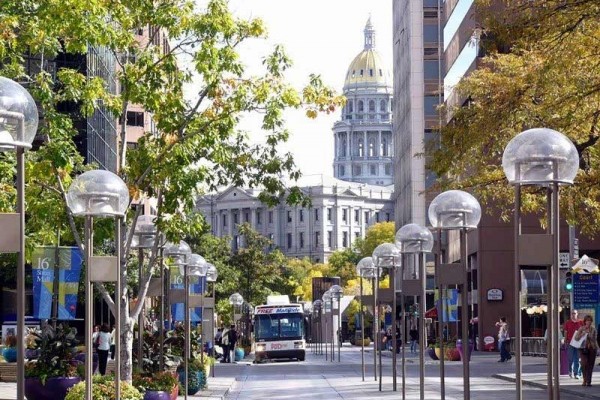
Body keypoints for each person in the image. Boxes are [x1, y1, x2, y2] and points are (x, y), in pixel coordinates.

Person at [574, 314, 598, 387]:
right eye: (587, 320)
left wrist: (588, 334)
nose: (588, 322)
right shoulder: (581, 328)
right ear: (585, 321)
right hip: (583, 348)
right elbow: (576, 338)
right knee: (584, 364)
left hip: (592, 348)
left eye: (590, 321)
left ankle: (589, 381)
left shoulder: (593, 329)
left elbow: (595, 338)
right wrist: (582, 334)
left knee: (590, 365)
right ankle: (584, 379)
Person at [564, 309, 584, 379]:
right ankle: (570, 371)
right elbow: (566, 332)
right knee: (570, 359)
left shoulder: (581, 322)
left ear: (577, 314)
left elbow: (583, 332)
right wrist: (565, 340)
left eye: (574, 313)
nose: (573, 315)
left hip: (578, 343)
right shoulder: (568, 323)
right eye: (572, 313)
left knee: (577, 359)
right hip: (570, 343)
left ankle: (576, 374)